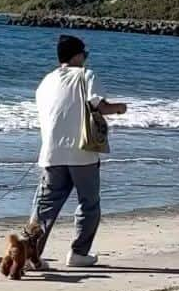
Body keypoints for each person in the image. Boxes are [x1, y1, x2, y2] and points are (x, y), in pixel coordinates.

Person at [30, 34, 127, 268]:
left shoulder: (46, 81)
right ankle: (78, 253)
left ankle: (31, 254)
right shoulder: (86, 75)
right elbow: (98, 105)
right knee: (89, 203)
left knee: (45, 206)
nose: (86, 59)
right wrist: (119, 108)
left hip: (51, 152)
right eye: (85, 54)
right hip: (83, 151)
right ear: (77, 55)